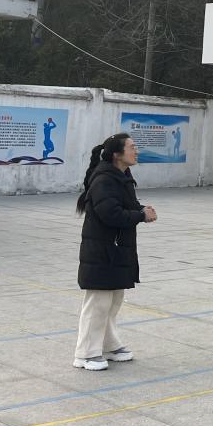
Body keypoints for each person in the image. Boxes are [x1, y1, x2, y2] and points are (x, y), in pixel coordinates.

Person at [73, 133, 157, 370]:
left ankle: (109, 346)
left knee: (113, 301)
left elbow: (125, 206)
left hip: (117, 250)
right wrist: (140, 215)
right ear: (117, 154)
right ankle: (85, 354)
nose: (136, 151)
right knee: (98, 303)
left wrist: (142, 209)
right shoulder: (104, 180)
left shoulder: (123, 176)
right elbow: (110, 214)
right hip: (101, 251)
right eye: (132, 147)